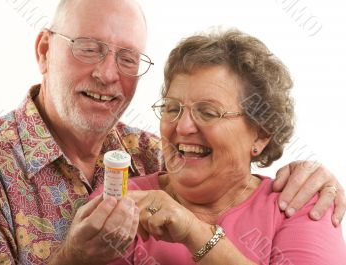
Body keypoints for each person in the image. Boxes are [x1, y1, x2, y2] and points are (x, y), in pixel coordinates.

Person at [0, 0, 344, 264]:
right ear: (45, 51)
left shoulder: (152, 151)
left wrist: (315, 176)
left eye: (127, 58)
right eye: (88, 47)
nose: (106, 74)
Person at [89, 28, 346, 264]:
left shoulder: (299, 203)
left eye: (208, 112)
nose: (182, 127)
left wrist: (194, 233)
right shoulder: (124, 200)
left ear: (261, 134)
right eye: (173, 108)